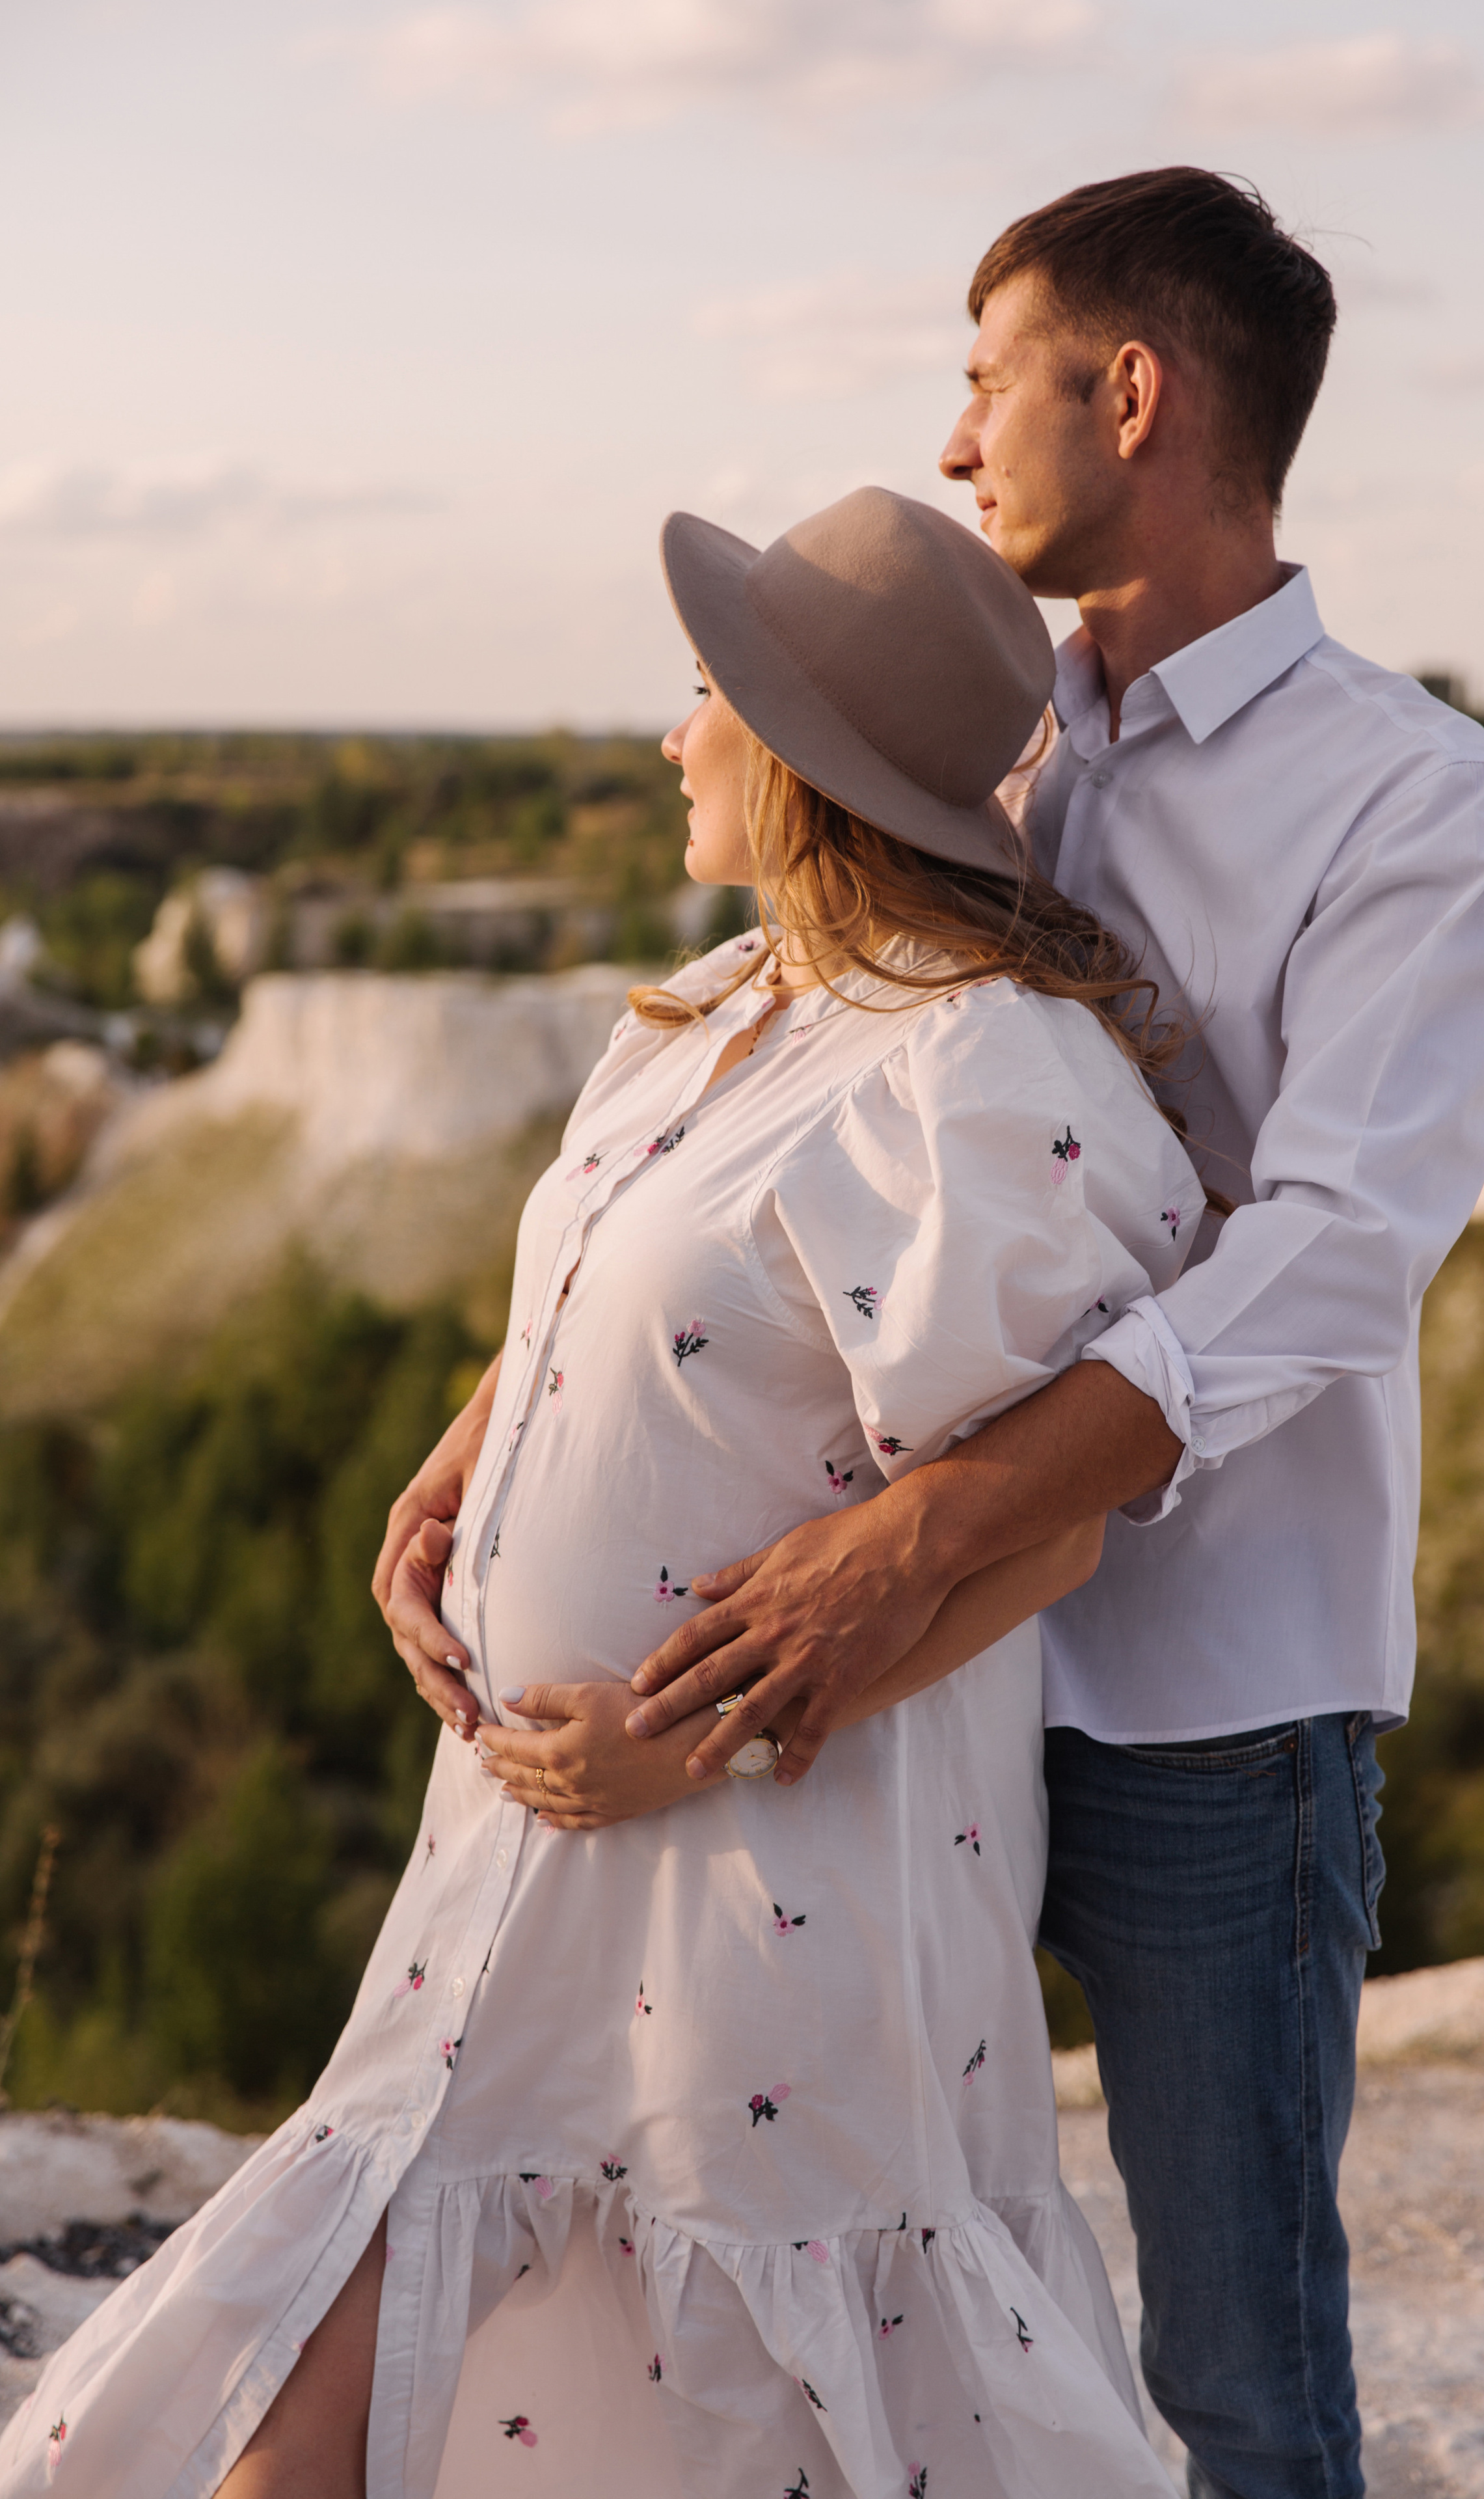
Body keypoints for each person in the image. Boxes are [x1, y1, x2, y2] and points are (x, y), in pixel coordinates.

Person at [379, 174, 1484, 2497]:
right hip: (906, 1717)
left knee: (1234, 2369)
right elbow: (770, 1090)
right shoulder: (967, 737)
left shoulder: (1413, 799)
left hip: (1208, 1696)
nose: (952, 436)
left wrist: (922, 1537)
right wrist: (502, 1423)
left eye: (989, 376)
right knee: (872, 2291)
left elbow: (1334, 1251)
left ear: (1136, 393)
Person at [0, 487, 1202, 2499]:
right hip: (523, 1835)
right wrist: (470, 1457)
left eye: (704, 692)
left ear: (807, 759)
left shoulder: (979, 1078)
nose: (670, 736)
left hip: (761, 1868)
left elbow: (1041, 1521)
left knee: (740, 2394)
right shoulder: (721, 1008)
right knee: (314, 2404)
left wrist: (706, 1740)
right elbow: (621, 1295)